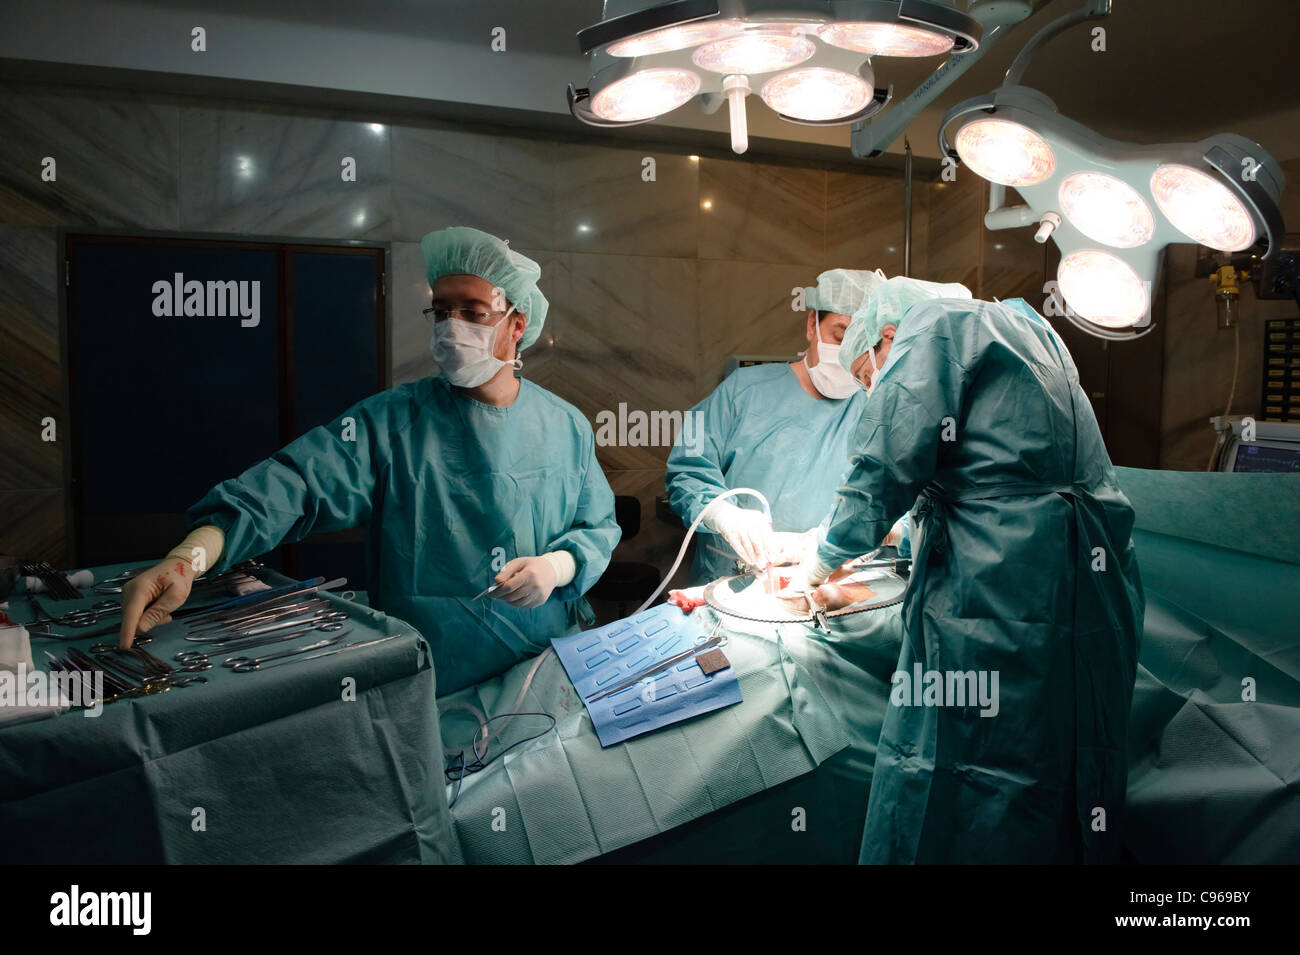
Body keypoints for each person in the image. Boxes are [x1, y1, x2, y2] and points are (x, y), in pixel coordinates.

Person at [119, 227, 621, 695]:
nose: (452, 327)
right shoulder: (392, 421)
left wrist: (559, 565)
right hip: (433, 678)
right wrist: (190, 558)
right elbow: (294, 484)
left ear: (517, 323)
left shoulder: (565, 424)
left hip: (545, 665)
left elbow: (596, 525)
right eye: (442, 310)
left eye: (473, 311)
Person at [795, 275, 1144, 864]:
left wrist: (823, 556)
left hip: (1001, 593)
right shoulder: (1030, 329)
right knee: (1062, 770)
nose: (871, 389)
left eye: (867, 376)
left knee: (972, 772)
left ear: (887, 336)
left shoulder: (931, 327)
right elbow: (1003, 475)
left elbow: (884, 465)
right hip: (1090, 584)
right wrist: (900, 529)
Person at [666, 269, 897, 584]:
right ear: (811, 324)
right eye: (840, 336)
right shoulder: (741, 391)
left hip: (827, 584)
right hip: (733, 582)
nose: (847, 355)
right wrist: (725, 515)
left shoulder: (874, 410)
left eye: (860, 344)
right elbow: (685, 470)